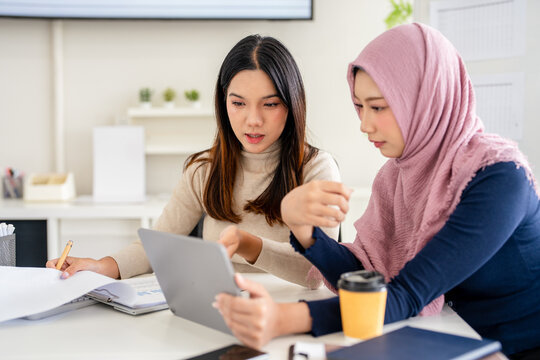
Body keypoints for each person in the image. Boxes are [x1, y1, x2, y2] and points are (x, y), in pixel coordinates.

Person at [214, 23, 540, 358]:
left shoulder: (499, 177)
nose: (364, 124)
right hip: (448, 339)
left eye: (378, 107)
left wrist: (282, 318)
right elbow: (366, 279)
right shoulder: (398, 175)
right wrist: (306, 231)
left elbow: (407, 294)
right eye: (359, 106)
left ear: (425, 100)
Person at [46, 34, 340, 288]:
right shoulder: (204, 169)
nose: (253, 120)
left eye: (270, 104)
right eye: (238, 103)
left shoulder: (316, 169)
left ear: (292, 103)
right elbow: (156, 245)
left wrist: (249, 244)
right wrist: (102, 266)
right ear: (223, 103)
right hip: (221, 303)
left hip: (292, 310)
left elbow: (316, 274)